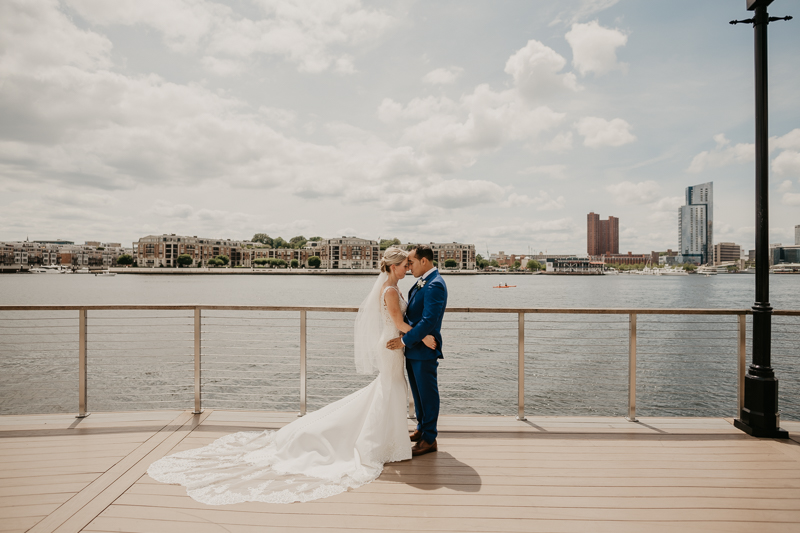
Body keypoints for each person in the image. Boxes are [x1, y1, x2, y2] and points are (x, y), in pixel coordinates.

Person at [147, 247, 437, 505]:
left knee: (389, 390)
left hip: (398, 343)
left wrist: (413, 335)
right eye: (404, 265)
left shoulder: (396, 288)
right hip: (393, 343)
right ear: (392, 267)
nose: (407, 269)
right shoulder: (389, 290)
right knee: (389, 389)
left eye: (409, 264)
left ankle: (391, 438)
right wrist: (422, 338)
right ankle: (380, 441)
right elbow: (399, 321)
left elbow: (405, 319)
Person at [386, 245, 448, 457]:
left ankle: (430, 438)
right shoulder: (422, 282)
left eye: (411, 262)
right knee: (418, 393)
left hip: (423, 348)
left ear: (424, 261)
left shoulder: (435, 285)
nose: (409, 266)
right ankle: (422, 428)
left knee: (428, 393)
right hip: (415, 347)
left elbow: (429, 320)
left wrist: (404, 340)